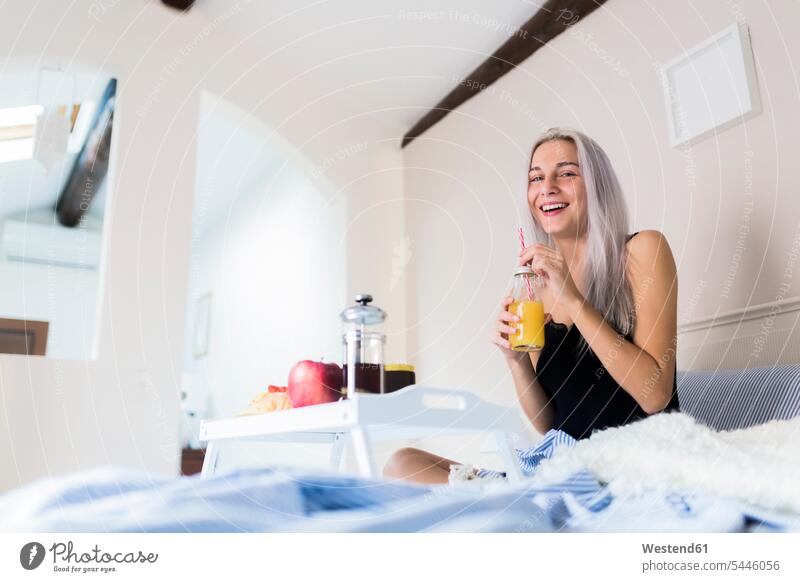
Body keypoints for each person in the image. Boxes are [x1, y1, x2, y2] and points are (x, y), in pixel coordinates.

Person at [383, 127, 680, 485]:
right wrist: (517, 362)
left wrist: (573, 298)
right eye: (536, 178)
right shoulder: (535, 290)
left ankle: (505, 502)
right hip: (561, 464)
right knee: (402, 463)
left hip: (631, 462)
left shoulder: (642, 251)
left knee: (456, 492)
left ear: (598, 185)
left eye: (567, 173)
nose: (547, 187)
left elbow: (655, 395)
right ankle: (508, 500)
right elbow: (549, 422)